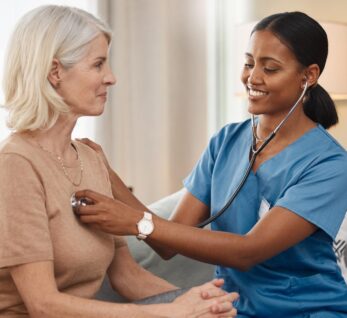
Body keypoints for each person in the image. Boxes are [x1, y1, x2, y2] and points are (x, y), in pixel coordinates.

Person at [74, 11, 347, 317]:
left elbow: (249, 252)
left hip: (308, 311)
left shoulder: (329, 164)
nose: (252, 77)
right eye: (248, 63)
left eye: (270, 68)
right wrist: (107, 175)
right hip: (232, 310)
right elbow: (168, 241)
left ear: (308, 76)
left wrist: (135, 222)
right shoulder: (226, 141)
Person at [0, 5, 239, 318]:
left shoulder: (90, 158)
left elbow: (127, 276)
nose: (110, 78)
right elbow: (43, 305)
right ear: (55, 71)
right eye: (98, 64)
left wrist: (197, 301)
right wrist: (168, 313)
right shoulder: (16, 164)